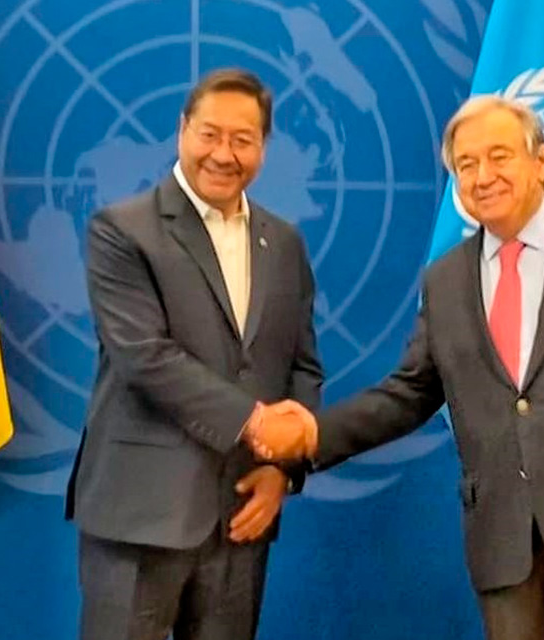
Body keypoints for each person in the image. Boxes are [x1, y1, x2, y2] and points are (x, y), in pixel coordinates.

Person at [252, 95, 544, 640]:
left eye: (499, 156)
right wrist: (310, 435)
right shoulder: (445, 280)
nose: (482, 175)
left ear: (541, 163)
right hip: (505, 547)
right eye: (466, 165)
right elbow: (410, 392)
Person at [65, 67, 323, 640]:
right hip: (139, 514)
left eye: (242, 139)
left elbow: (301, 364)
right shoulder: (122, 230)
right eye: (210, 133)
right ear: (182, 130)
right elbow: (144, 357)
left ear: (263, 146)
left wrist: (280, 467)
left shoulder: (283, 243)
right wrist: (257, 423)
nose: (223, 154)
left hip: (241, 518)